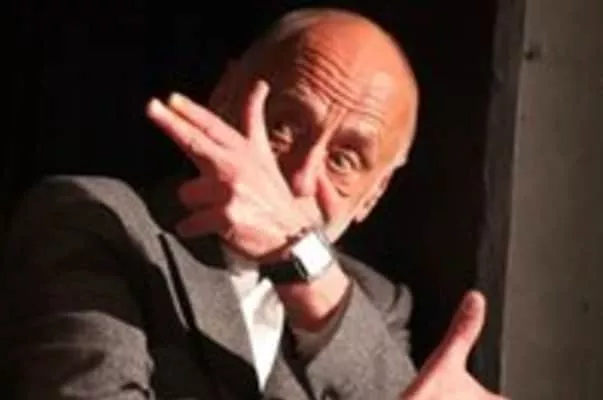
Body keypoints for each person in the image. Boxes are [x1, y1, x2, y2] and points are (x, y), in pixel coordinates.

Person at [0, 8, 506, 400]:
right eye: (284, 127)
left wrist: (311, 275)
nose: (301, 178)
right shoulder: (92, 218)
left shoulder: (373, 304)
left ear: (373, 194)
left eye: (344, 159)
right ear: (224, 96)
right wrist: (297, 250)